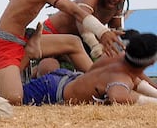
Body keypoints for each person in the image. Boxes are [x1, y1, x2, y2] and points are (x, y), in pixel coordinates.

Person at [17, 31, 157, 105]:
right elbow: (117, 96)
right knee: (11, 98)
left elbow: (135, 80)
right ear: (151, 62)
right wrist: (152, 102)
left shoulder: (115, 56)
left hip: (62, 80)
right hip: (51, 91)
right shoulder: (120, 79)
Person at [41, 0, 130, 59]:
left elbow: (115, 30)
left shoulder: (119, 5)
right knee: (50, 64)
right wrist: (94, 45)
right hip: (51, 33)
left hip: (76, 42)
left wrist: (122, 46)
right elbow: (81, 21)